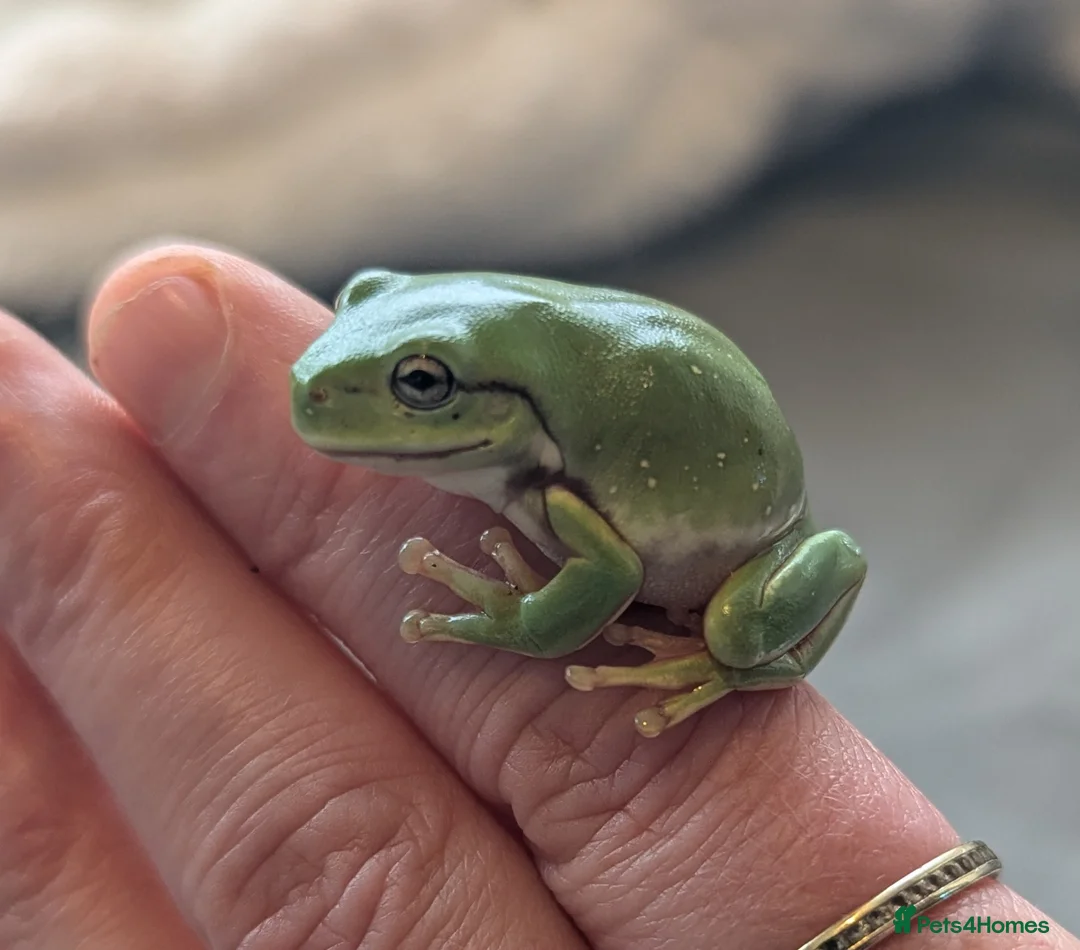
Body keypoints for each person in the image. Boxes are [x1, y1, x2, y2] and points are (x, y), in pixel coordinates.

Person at [0, 244, 1072, 949]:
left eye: (421, 384)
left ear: (502, 408)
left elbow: (603, 576)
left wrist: (508, 621)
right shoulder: (516, 430)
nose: (317, 378)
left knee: (740, 630)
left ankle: (736, 653)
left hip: (746, 556)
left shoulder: (566, 499)